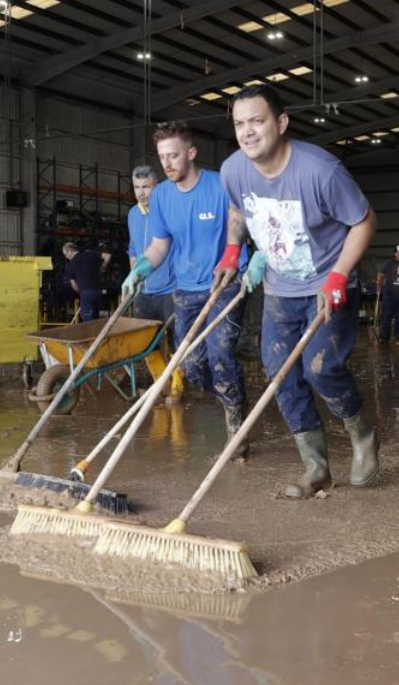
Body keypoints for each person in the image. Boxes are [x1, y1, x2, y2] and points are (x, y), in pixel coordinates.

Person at [219, 84, 381, 498]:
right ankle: (315, 465)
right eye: (239, 124)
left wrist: (339, 275)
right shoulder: (234, 169)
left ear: (281, 122)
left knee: (321, 368)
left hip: (328, 282)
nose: (247, 132)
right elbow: (239, 210)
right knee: (279, 374)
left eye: (257, 121)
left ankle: (362, 434)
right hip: (280, 288)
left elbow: (363, 221)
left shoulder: (320, 170)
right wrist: (233, 251)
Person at [122, 121, 250, 457]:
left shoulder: (219, 185)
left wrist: (243, 261)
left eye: (174, 155)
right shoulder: (162, 195)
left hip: (225, 280)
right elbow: (160, 245)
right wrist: (140, 269)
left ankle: (235, 417)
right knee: (191, 363)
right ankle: (230, 393)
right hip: (186, 287)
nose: (167, 164)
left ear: (191, 153)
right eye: (163, 157)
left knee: (221, 352)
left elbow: (240, 223)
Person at [127, 165, 175, 322]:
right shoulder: (133, 214)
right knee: (145, 342)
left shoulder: (169, 210)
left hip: (171, 290)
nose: (141, 193)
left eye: (146, 187)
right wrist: (133, 278)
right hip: (143, 291)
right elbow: (133, 250)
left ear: (157, 186)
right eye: (137, 187)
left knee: (176, 342)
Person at [61, 241, 103, 321]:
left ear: (70, 250)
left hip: (85, 292)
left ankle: (91, 333)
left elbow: (74, 284)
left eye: (65, 254)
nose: (66, 257)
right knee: (96, 318)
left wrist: (81, 292)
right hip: (98, 291)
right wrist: (102, 268)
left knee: (88, 319)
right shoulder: (89, 254)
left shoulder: (70, 265)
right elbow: (107, 256)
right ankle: (98, 333)